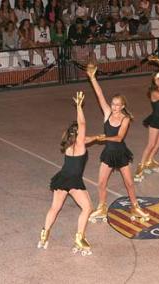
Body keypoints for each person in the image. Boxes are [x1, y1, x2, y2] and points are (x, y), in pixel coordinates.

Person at [86, 64, 150, 223]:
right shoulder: (107, 113)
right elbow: (99, 95)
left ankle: (135, 207)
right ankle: (101, 207)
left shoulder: (125, 119)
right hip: (108, 153)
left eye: (117, 105)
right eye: (112, 104)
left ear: (122, 106)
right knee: (101, 183)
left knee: (129, 183)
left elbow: (119, 137)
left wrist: (103, 137)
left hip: (120, 153)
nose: (113, 107)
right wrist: (93, 77)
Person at [37, 92, 99, 256]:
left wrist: (98, 137)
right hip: (73, 181)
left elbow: (85, 136)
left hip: (62, 178)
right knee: (87, 208)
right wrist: (79, 106)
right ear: (78, 135)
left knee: (55, 208)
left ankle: (44, 235)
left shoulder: (70, 145)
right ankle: (79, 238)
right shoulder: (80, 145)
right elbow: (83, 123)